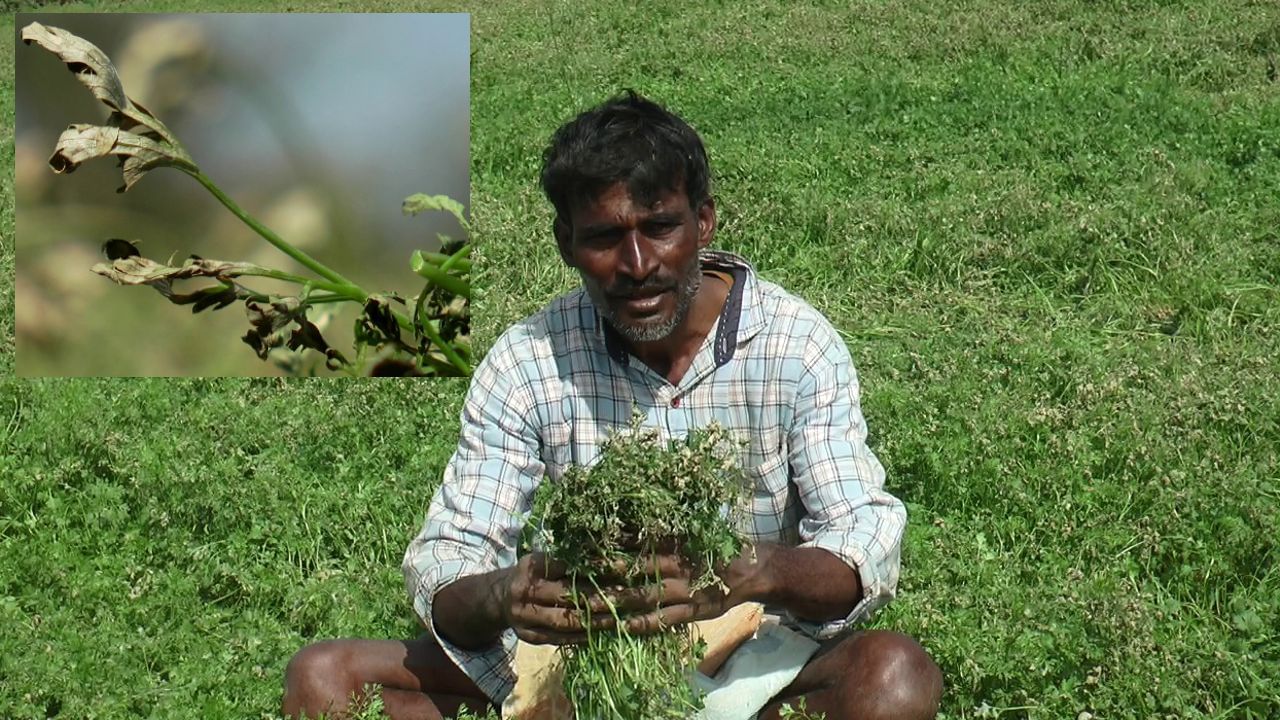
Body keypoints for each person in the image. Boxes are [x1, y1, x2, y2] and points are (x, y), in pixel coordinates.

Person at [282, 92, 943, 720]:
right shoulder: (529, 361)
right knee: (325, 677)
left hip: (750, 657)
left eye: (660, 228)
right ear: (565, 242)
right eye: (603, 237)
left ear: (703, 221)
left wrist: (755, 573)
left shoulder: (797, 347)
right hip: (576, 652)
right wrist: (506, 595)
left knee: (893, 675)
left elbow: (862, 542)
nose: (636, 264)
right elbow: (448, 558)